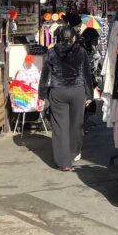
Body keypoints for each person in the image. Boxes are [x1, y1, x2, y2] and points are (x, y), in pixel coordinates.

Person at [38, 25, 92, 171]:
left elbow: (45, 75)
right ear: (73, 37)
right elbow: (87, 74)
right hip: (77, 91)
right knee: (76, 124)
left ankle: (64, 163)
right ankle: (74, 152)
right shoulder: (81, 52)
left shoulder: (51, 52)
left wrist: (41, 95)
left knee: (60, 127)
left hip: (58, 91)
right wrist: (89, 94)